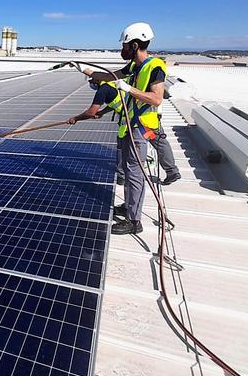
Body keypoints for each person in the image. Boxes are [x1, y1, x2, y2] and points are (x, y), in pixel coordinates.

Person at [68, 22, 171, 234]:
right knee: (127, 169)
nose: (121, 50)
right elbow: (109, 76)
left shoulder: (155, 66)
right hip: (128, 127)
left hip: (140, 128)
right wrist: (85, 70)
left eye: (123, 46)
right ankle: (129, 207)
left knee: (134, 173)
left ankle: (134, 222)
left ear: (134, 45)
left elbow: (157, 98)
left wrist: (129, 88)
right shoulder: (134, 67)